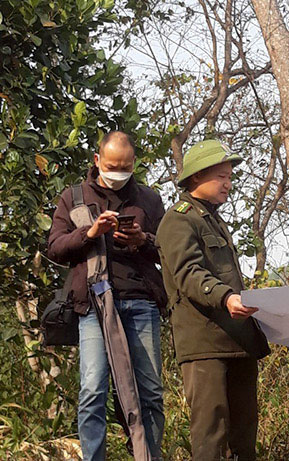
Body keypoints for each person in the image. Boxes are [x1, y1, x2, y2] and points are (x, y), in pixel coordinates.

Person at [47, 131, 166, 460]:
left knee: (150, 393)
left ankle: (147, 455)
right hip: (94, 305)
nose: (118, 173)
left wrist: (142, 239)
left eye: (125, 167)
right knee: (93, 390)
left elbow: (169, 250)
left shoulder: (149, 199)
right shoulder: (73, 197)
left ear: (134, 164)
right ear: (97, 161)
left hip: (142, 302)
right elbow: (55, 247)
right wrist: (90, 232)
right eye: (112, 166)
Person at [156, 139, 270, 460]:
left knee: (244, 436)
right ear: (196, 177)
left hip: (237, 341)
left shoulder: (214, 219)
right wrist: (227, 298)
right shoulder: (178, 220)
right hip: (205, 344)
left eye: (230, 177)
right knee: (211, 435)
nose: (228, 184)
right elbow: (189, 274)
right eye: (221, 177)